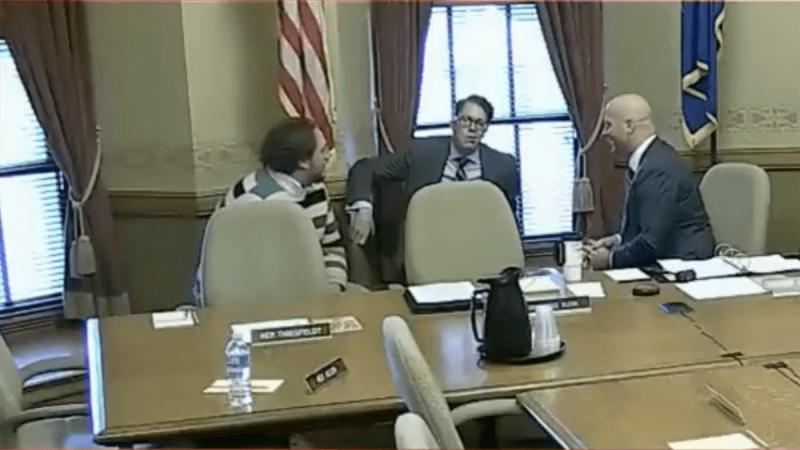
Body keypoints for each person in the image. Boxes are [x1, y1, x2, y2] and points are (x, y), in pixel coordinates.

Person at [192, 118, 347, 303]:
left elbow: (331, 246)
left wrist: (333, 289)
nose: (329, 155)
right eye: (322, 151)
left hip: (313, 297)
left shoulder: (315, 188)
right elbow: (255, 280)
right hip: (255, 304)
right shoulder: (254, 204)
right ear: (303, 162)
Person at [347, 94, 518, 246]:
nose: (472, 128)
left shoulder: (503, 165)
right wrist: (364, 208)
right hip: (428, 245)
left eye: (479, 123)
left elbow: (509, 221)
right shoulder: (423, 153)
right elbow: (365, 168)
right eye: (466, 120)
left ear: (486, 129)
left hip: (480, 246)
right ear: (453, 124)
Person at [586, 93, 715, 270]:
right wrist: (616, 240)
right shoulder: (652, 159)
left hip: (684, 267)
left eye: (608, 125)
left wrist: (611, 259)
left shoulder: (658, 168)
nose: (604, 133)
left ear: (629, 126)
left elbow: (651, 242)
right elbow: (650, 227)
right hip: (666, 261)